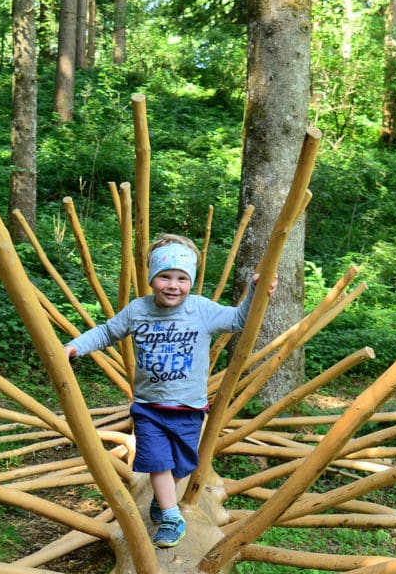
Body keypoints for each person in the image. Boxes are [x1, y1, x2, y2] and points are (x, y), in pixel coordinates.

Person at [64, 234, 275, 548]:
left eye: (181, 278)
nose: (173, 285)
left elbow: (237, 320)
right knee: (158, 462)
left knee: (182, 465)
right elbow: (108, 331)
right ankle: (171, 515)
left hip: (189, 409)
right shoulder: (138, 311)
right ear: (152, 278)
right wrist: (76, 346)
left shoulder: (200, 310)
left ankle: (162, 502)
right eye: (164, 277)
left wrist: (256, 293)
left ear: (190, 281)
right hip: (150, 408)